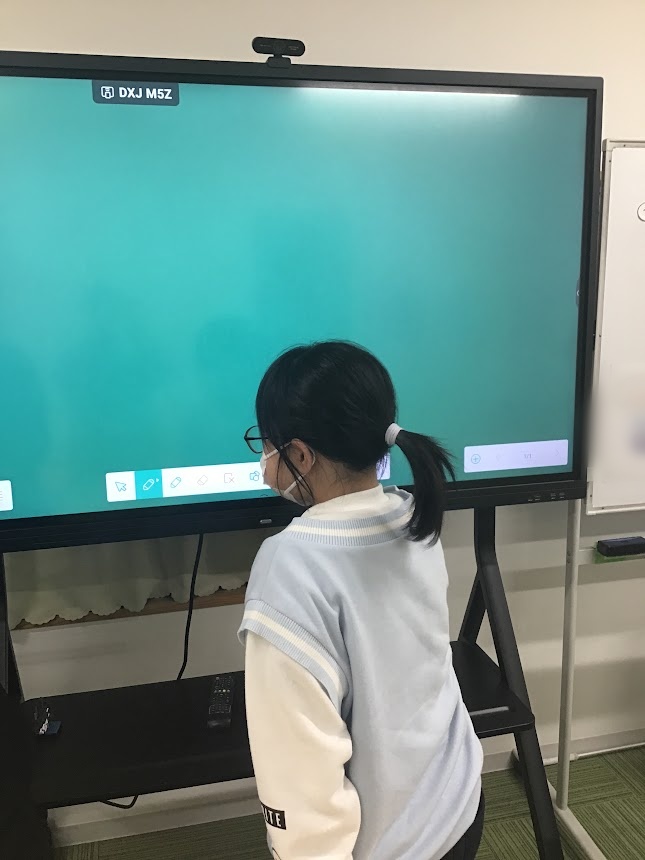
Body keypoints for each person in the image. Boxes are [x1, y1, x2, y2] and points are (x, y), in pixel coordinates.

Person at [239, 341, 484, 860]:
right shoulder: (412, 515)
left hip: (395, 845)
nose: (264, 458)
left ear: (300, 456)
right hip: (459, 804)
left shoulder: (288, 569)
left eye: (267, 444)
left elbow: (296, 769)